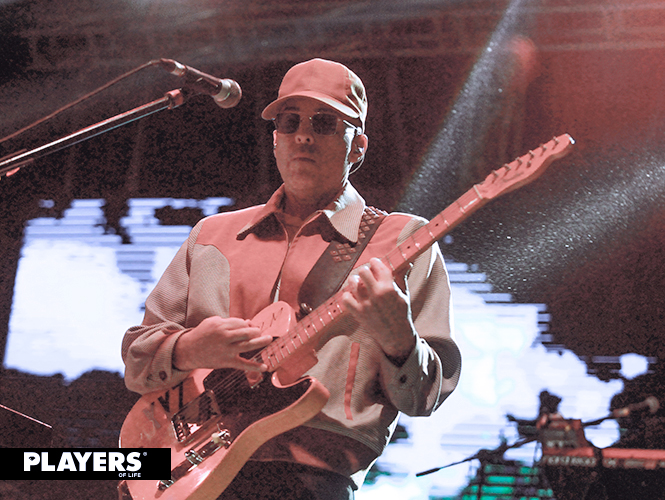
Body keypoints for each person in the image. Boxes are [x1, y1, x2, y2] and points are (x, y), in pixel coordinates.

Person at [121, 58, 461, 499]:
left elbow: (425, 398)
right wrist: (189, 349)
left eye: (324, 123)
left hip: (312, 482)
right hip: (188, 472)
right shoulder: (211, 235)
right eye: (289, 121)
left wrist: (401, 342)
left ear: (357, 147)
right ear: (275, 139)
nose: (303, 135)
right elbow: (137, 363)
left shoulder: (402, 240)